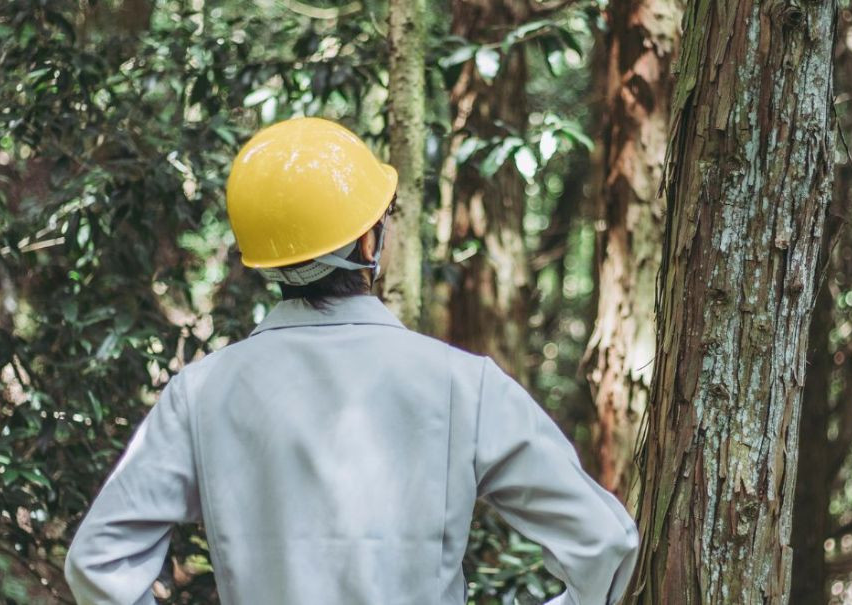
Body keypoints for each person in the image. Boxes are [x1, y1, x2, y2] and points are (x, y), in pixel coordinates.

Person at [63, 117, 638, 604]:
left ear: (265, 259)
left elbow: (99, 564)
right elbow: (603, 544)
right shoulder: (465, 386)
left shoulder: (200, 394)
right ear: (369, 244)